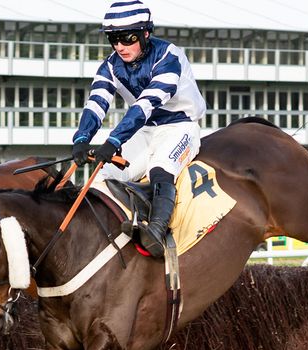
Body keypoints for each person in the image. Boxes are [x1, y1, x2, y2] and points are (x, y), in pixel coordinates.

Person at [71, 0, 207, 258]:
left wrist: (112, 141)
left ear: (146, 33)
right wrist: (81, 138)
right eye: (113, 39)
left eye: (127, 37)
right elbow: (97, 102)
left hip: (180, 127)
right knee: (104, 175)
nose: (120, 46)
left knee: (161, 168)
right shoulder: (110, 65)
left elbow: (146, 104)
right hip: (146, 131)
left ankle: (156, 230)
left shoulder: (169, 56)